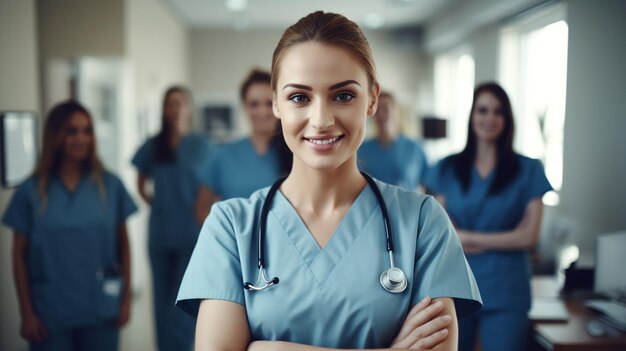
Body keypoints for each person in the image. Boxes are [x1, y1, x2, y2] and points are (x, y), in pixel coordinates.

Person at [177, 11, 482, 351]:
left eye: (343, 95)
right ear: (276, 102)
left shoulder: (423, 222)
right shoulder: (230, 228)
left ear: (373, 99)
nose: (321, 119)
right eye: (299, 97)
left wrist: (269, 348)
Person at [423, 82, 552, 351]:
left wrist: (467, 237)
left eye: (498, 112)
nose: (489, 118)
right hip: (455, 286)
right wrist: (505, 240)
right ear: (472, 116)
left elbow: (530, 237)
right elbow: (443, 234)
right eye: (483, 110)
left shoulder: (529, 170)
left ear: (507, 119)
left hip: (507, 291)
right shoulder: (447, 168)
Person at [2, 101, 137, 351]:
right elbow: (18, 255)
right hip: (49, 314)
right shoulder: (30, 191)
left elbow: (124, 246)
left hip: (101, 309)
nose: (81, 138)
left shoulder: (110, 185)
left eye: (87, 131)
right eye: (71, 131)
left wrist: (126, 299)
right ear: (55, 135)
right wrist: (26, 313)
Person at [132, 86, 212, 351]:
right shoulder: (154, 145)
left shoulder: (202, 145)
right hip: (160, 234)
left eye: (180, 103)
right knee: (160, 300)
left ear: (189, 108)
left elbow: (211, 187)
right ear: (164, 110)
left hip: (191, 234)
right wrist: (156, 203)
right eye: (170, 104)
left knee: (182, 302)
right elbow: (141, 182)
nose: (176, 109)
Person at [195, 69, 292, 221]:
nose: (262, 112)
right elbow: (202, 208)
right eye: (254, 104)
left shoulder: (295, 154)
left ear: (278, 105)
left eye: (268, 103)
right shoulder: (223, 156)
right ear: (244, 107)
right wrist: (222, 242)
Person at [358, 91, 428, 191]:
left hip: (408, 206)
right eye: (377, 110)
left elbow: (428, 185)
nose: (381, 114)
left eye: (386, 108)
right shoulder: (362, 150)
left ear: (396, 112)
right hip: (373, 206)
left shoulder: (415, 148)